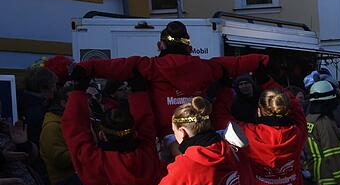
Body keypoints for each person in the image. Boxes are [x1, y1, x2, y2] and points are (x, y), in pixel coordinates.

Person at [74, 21, 268, 140]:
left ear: (161, 45)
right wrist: (262, 60)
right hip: (200, 136)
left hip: (164, 137)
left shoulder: (149, 67)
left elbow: (117, 65)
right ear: (189, 48)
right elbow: (234, 64)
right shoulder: (205, 68)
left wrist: (85, 68)